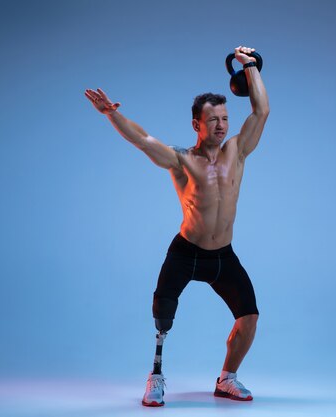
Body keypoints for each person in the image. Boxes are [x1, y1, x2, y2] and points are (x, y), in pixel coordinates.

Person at [84, 45, 269, 407]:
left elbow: (261, 110)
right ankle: (155, 377)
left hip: (223, 256)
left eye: (224, 119)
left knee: (249, 319)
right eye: (213, 120)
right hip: (185, 253)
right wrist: (110, 114)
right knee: (162, 319)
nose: (221, 125)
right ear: (196, 124)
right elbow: (142, 139)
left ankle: (226, 378)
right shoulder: (181, 161)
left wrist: (250, 67)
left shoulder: (238, 151)